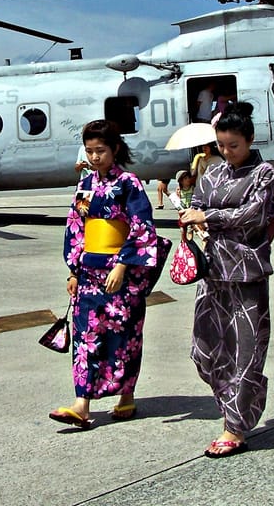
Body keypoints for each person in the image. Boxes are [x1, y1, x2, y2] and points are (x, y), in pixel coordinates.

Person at [180, 101, 274, 459]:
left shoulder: (265, 173)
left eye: (233, 145)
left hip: (246, 273)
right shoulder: (211, 174)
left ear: (250, 139)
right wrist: (194, 217)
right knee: (204, 350)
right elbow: (198, 207)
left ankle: (234, 427)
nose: (225, 152)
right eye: (221, 145)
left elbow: (253, 215)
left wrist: (208, 216)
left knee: (245, 352)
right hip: (212, 271)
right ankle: (231, 410)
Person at [49, 120, 167, 429]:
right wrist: (73, 270)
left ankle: (126, 394)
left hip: (121, 272)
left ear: (115, 149)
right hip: (89, 271)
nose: (94, 157)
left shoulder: (129, 182)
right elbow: (76, 225)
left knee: (124, 335)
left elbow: (142, 225)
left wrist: (123, 264)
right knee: (86, 336)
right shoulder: (85, 184)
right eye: (89, 151)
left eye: (100, 150)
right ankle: (81, 404)